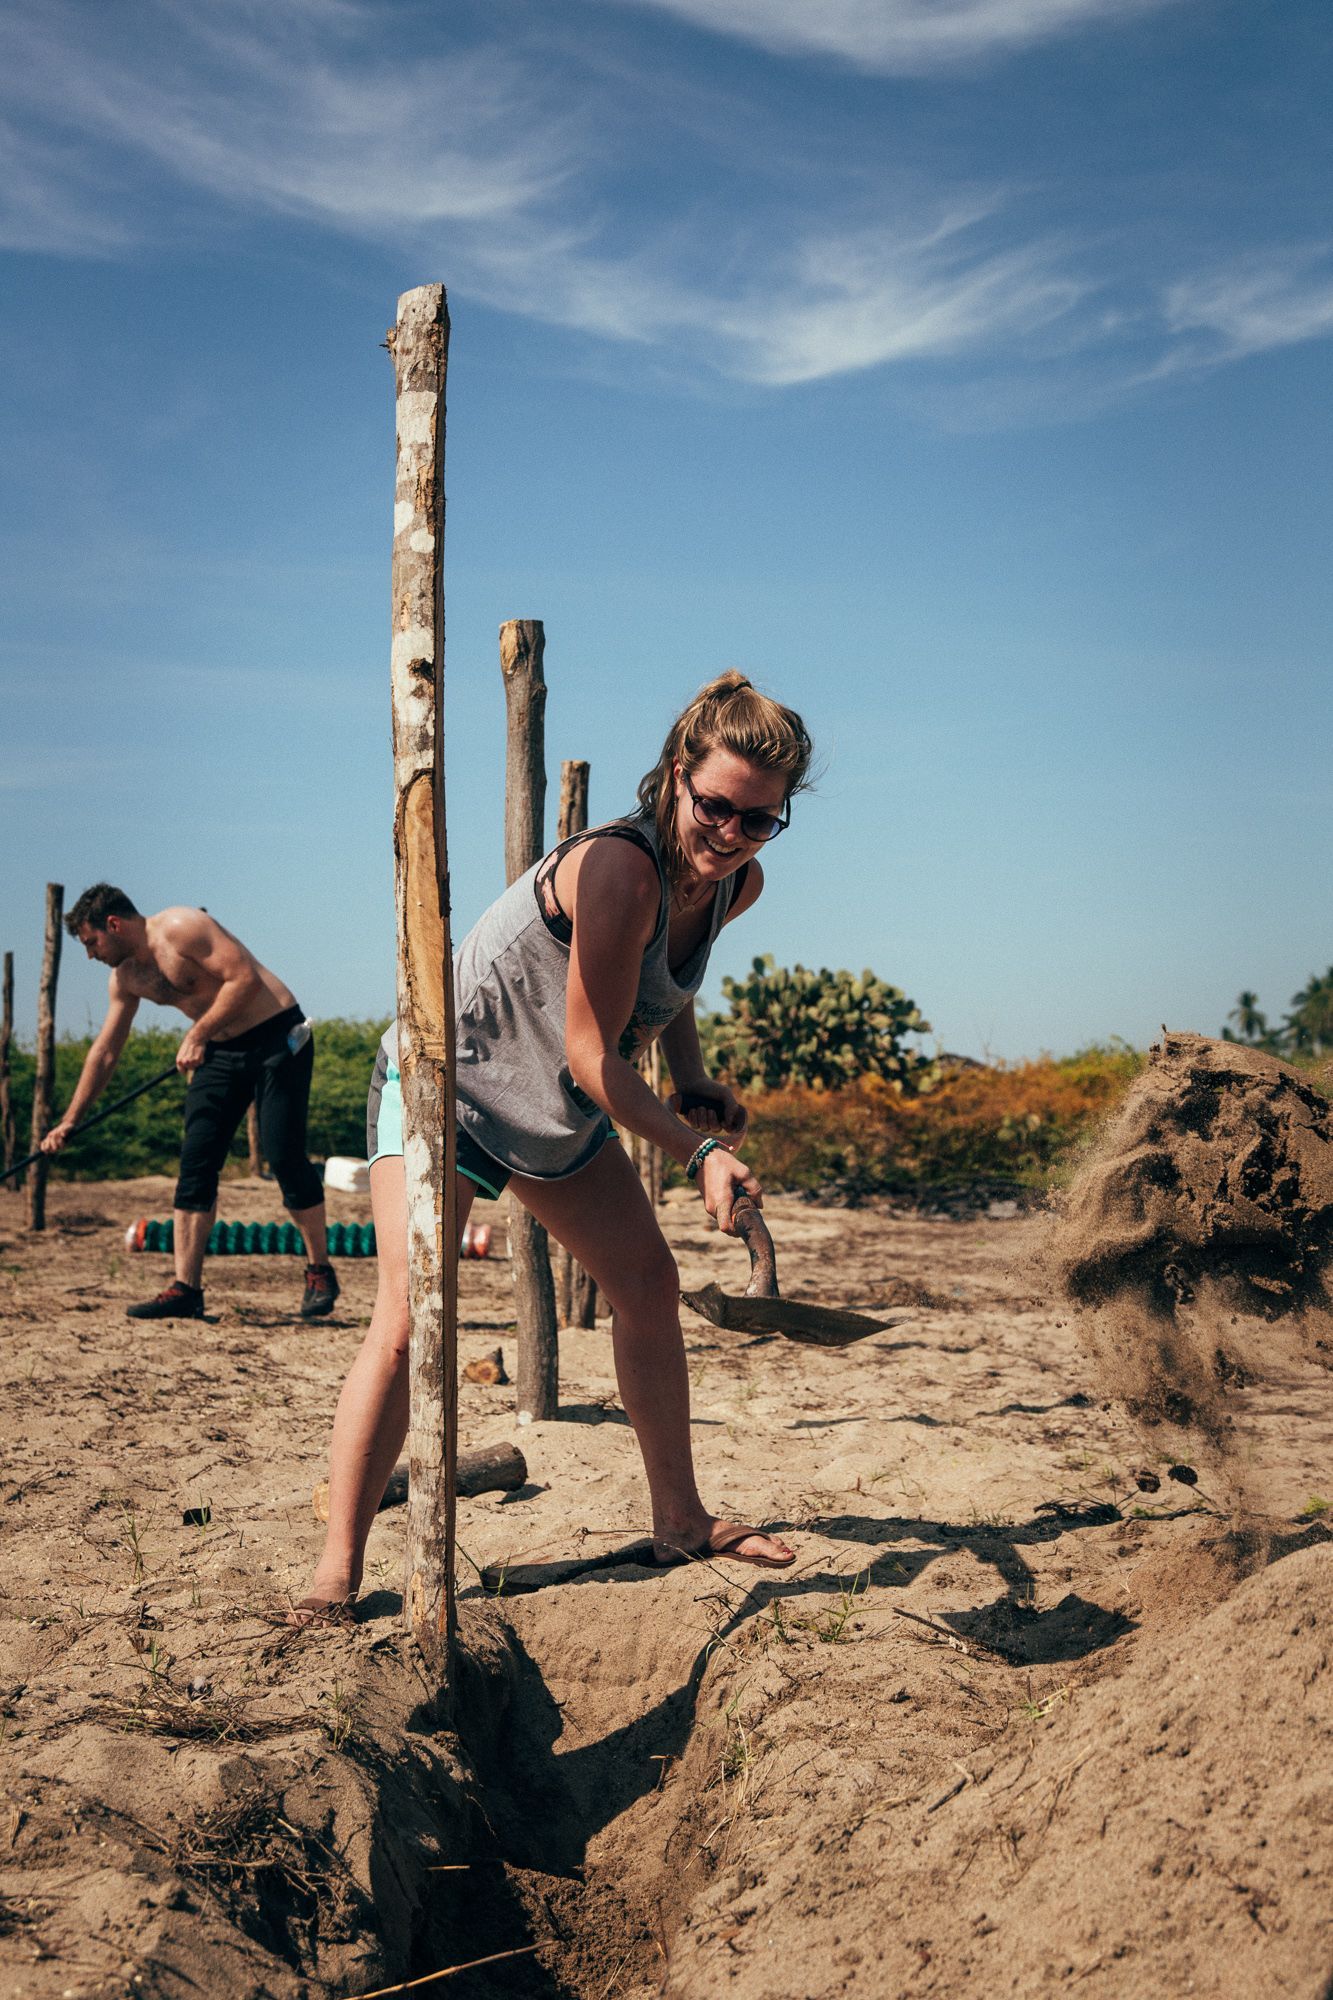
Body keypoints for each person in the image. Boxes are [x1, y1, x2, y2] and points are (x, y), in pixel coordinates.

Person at [295, 670, 814, 1622]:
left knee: (647, 1287)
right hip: (444, 1088)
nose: (729, 835)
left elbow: (664, 987)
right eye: (714, 809)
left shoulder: (736, 883)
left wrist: (690, 1079)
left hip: (549, 1114)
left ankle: (680, 1520)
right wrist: (697, 1154)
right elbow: (589, 1056)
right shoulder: (619, 867)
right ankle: (338, 1570)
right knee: (414, 1323)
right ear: (673, 777)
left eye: (758, 820)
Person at [44, 886, 338, 1321]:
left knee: (283, 1155)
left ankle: (320, 1270)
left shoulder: (182, 927)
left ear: (114, 924)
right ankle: (186, 1289)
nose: (91, 955)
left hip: (277, 1036)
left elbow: (244, 979)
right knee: (196, 1162)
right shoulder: (125, 977)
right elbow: (106, 1050)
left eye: (91, 943)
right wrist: (70, 1120)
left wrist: (196, 1034)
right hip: (219, 1049)